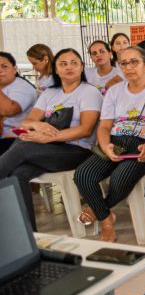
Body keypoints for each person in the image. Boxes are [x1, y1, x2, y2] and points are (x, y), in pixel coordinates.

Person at [73, 46, 145, 242]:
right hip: (115, 142)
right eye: (123, 63)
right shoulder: (114, 91)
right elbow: (105, 126)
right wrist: (105, 145)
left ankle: (99, 214)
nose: (129, 67)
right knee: (83, 175)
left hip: (144, 145)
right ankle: (106, 217)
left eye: (134, 62)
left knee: (119, 178)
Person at [0, 48, 102, 229]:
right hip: (47, 151)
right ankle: (28, 233)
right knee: (18, 174)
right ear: (55, 68)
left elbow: (85, 129)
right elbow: (27, 121)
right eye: (63, 64)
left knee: (23, 146)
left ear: (82, 67)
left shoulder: (89, 92)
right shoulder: (50, 93)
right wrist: (39, 125)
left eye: (74, 63)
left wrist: (48, 137)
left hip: (77, 150)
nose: (69, 67)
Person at [0, 52, 37, 156]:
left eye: (4, 66)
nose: (0, 70)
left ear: (14, 69)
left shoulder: (22, 87)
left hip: (17, 138)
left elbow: (9, 110)